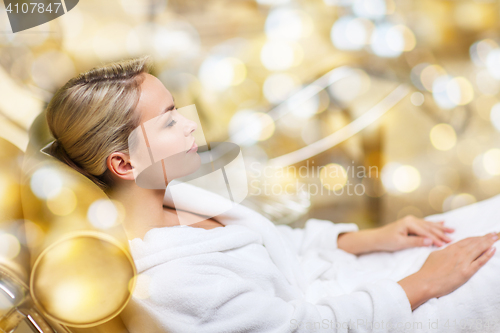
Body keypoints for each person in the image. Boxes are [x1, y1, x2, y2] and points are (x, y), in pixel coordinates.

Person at [45, 57, 499, 332]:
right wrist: (427, 282)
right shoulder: (170, 287)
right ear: (123, 164)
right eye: (168, 120)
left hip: (354, 285)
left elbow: (277, 243)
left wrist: (373, 237)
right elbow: (306, 329)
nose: (189, 124)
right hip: (375, 316)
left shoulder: (173, 197)